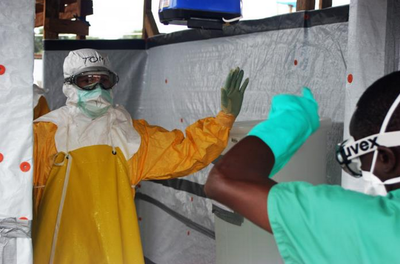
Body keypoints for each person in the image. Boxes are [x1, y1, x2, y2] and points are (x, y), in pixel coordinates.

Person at [32, 48, 249, 263]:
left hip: (114, 250)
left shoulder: (129, 134)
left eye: (104, 81)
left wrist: (224, 118)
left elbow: (185, 152)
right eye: (87, 80)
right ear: (69, 85)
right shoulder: (46, 133)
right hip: (58, 251)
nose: (97, 88)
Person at [205, 72, 400, 263]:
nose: (360, 171)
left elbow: (224, 180)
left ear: (385, 158)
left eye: (359, 161)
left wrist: (293, 120)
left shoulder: (369, 223)